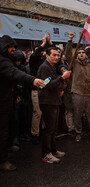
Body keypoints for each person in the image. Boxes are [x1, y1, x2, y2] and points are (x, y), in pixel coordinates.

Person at [0, 35, 45, 171]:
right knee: (2, 133)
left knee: (7, 130)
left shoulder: (7, 59)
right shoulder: (3, 61)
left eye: (14, 47)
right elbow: (15, 74)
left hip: (7, 102)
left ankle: (3, 154)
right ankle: (2, 161)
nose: (13, 49)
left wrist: (15, 95)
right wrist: (33, 80)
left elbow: (11, 81)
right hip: (1, 105)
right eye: (10, 47)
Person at [66, 32, 90, 142]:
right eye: (79, 53)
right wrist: (70, 40)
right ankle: (79, 133)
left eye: (83, 52)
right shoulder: (74, 64)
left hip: (89, 94)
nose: (81, 54)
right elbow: (68, 55)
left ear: (86, 55)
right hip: (77, 93)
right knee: (77, 115)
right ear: (77, 55)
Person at [37, 47, 71, 163]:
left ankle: (53, 150)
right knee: (49, 129)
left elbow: (53, 83)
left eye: (58, 55)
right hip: (48, 102)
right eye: (54, 55)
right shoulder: (44, 67)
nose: (56, 57)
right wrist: (62, 78)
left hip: (54, 101)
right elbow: (48, 85)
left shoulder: (52, 66)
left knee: (53, 128)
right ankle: (46, 154)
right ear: (47, 56)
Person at [29, 33, 53, 144]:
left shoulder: (46, 63)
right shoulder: (34, 62)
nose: (42, 53)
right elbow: (34, 55)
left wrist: (50, 43)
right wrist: (43, 43)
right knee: (37, 113)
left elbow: (55, 52)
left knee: (46, 113)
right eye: (40, 51)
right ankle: (35, 134)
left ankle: (44, 133)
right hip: (36, 91)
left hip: (47, 91)